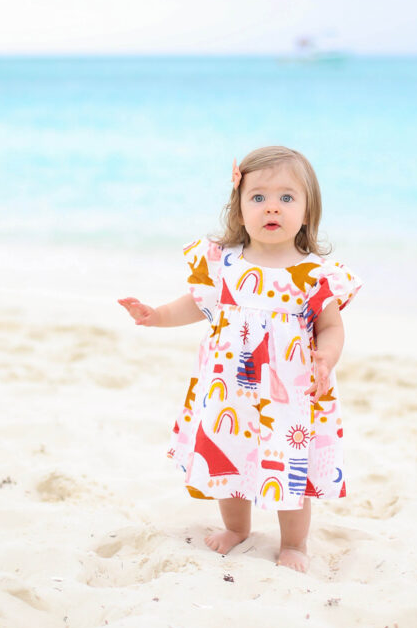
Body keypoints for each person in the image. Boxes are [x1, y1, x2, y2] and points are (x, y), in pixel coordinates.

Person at [118, 145, 361, 572]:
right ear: (240, 206)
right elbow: (197, 305)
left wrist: (325, 359)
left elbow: (331, 326)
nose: (272, 207)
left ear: (307, 211)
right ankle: (236, 528)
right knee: (226, 456)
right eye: (258, 197)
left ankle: (294, 544)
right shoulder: (225, 263)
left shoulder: (314, 273)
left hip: (291, 395)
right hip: (228, 388)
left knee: (290, 467)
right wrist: (156, 316)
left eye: (287, 198)